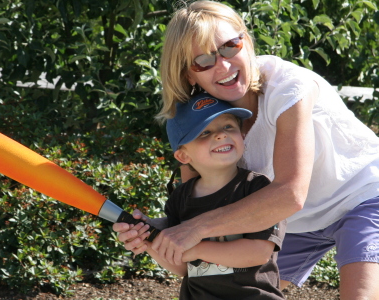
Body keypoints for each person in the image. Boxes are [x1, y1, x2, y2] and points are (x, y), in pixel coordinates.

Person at [113, 1, 379, 299]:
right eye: (203, 60)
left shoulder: (290, 87)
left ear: (247, 42)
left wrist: (191, 231)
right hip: (291, 219)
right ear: (189, 75)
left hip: (362, 195)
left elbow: (290, 194)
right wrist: (152, 233)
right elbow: (196, 216)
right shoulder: (200, 120)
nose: (224, 66)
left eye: (229, 46)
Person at [142, 91, 286, 299]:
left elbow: (259, 252)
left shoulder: (257, 189)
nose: (220, 135)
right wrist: (148, 243)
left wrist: (195, 250)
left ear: (242, 135)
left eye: (228, 126)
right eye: (204, 132)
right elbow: (183, 267)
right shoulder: (180, 198)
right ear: (183, 155)